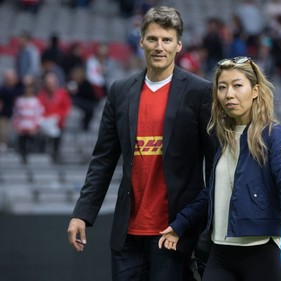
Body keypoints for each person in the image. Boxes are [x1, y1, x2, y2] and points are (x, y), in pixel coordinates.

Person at [67, 6, 216, 281]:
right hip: (127, 236)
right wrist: (82, 213)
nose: (159, 46)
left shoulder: (200, 92)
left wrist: (199, 223)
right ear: (141, 42)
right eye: (153, 39)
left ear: (179, 45)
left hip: (174, 233)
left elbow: (217, 164)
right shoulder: (120, 91)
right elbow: (103, 159)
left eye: (167, 40)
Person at [159, 56, 281, 281]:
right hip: (219, 253)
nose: (229, 94)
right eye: (222, 87)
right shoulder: (223, 138)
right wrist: (180, 224)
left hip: (260, 253)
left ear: (255, 90)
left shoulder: (273, 135)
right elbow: (213, 193)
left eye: (237, 85)